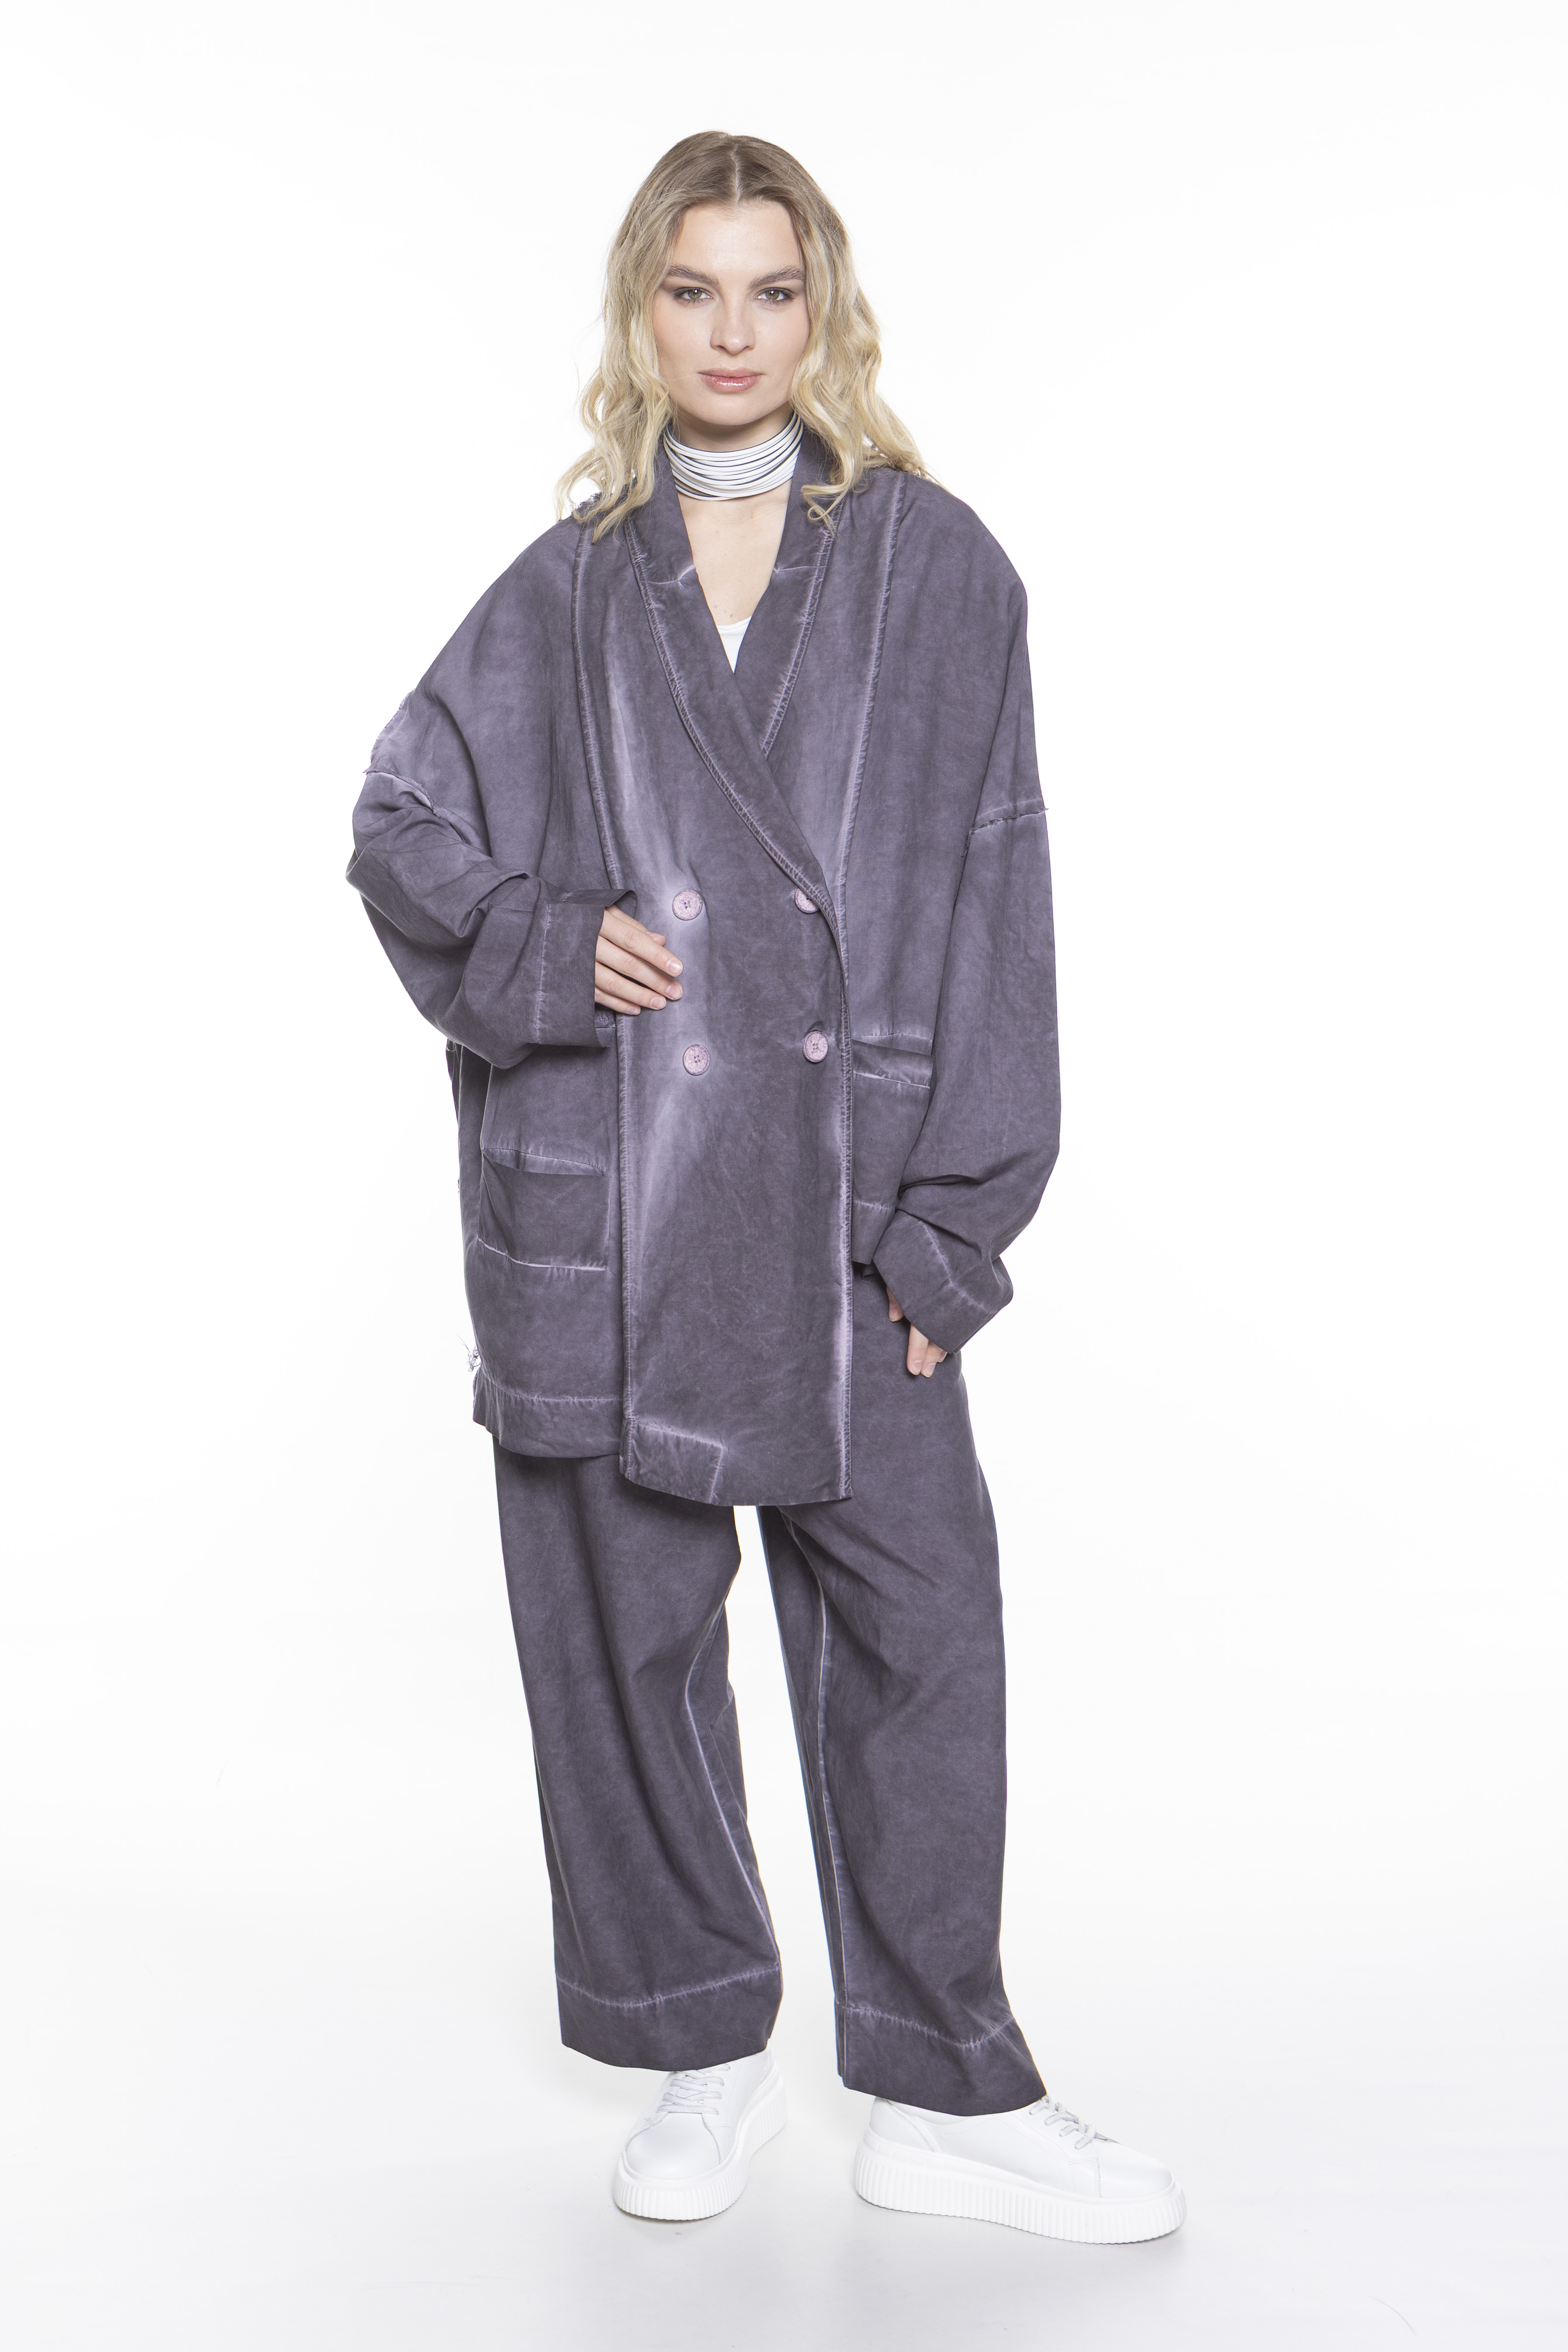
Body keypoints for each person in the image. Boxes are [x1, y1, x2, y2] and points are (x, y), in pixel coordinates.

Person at [348, 130, 1182, 2245]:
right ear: (640, 314)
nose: (732, 334)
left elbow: (996, 903)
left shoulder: (937, 567)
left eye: (772, 290)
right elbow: (400, 821)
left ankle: (946, 2087)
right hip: (609, 1208)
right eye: (691, 289)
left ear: (827, 313)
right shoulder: (565, 590)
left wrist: (948, 1232)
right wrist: (548, 941)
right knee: (620, 1648)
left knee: (922, 1636)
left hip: (843, 1215)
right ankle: (696, 2046)